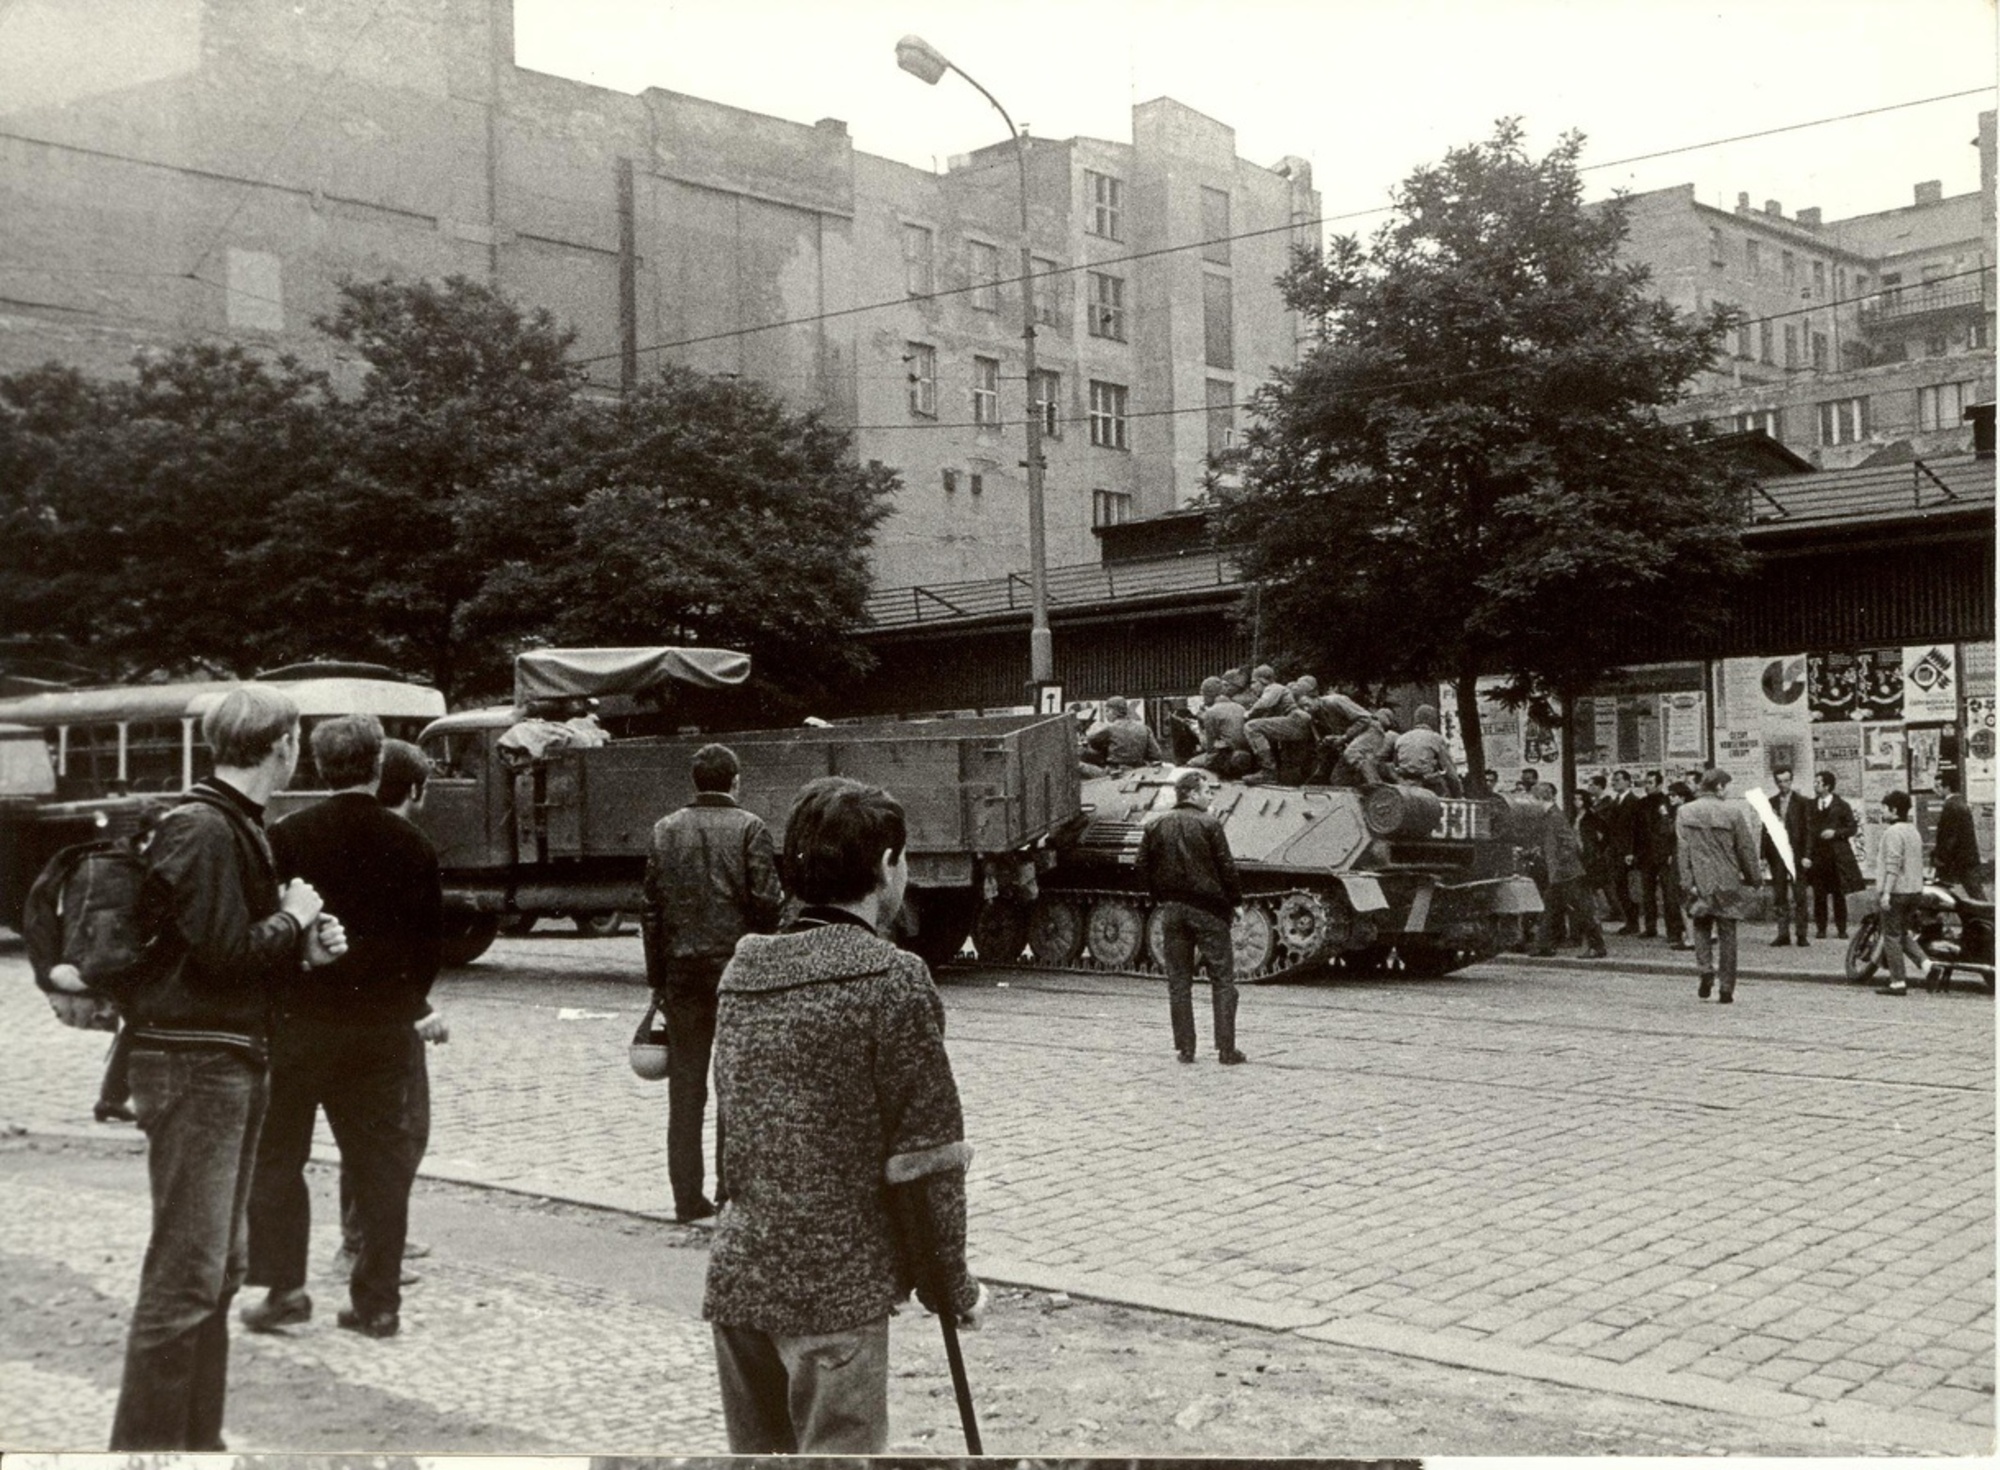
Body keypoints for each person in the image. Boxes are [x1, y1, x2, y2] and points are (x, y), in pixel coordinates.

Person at [704, 776, 984, 1453]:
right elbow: (926, 1160)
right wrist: (951, 1290)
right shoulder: (893, 979)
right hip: (834, 1296)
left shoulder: (744, 971)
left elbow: (734, 1134)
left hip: (740, 1278)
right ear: (887, 865)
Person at [108, 686, 348, 1450]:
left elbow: (225, 956)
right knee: (187, 1276)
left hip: (224, 1058)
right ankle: (146, 1454)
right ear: (283, 745)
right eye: (295, 741)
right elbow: (223, 957)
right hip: (196, 1063)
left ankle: (194, 1445)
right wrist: (293, 918)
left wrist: (300, 948)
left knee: (217, 1271)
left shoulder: (233, 823)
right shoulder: (208, 827)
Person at [243, 716, 443, 1342]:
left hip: (300, 1023)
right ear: (379, 765)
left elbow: (269, 927)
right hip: (381, 1028)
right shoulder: (412, 844)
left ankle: (284, 1289)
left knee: (279, 1157)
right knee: (380, 1164)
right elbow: (429, 948)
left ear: (317, 766)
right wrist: (405, 999)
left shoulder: (286, 836)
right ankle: (377, 1302)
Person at [643, 742, 784, 1225]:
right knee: (732, 1084)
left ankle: (686, 1198)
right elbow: (767, 902)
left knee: (685, 1090)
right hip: (735, 973)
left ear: (695, 781)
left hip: (682, 973)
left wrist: (657, 979)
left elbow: (651, 911)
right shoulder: (750, 827)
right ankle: (729, 1191)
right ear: (735, 781)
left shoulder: (665, 830)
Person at [333, 738, 448, 1281]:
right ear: (415, 789)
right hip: (389, 1012)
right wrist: (417, 1006)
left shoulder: (335, 836)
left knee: (366, 1130)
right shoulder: (407, 846)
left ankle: (368, 1233)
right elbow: (415, 946)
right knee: (402, 1128)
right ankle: (366, 1244)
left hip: (340, 1009)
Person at [1137, 769, 1249, 1064]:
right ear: (1192, 794)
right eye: (1207, 791)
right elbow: (1226, 867)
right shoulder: (1210, 823)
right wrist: (1236, 902)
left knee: (1178, 982)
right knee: (1222, 980)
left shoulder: (1155, 824)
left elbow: (1141, 866)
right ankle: (1226, 1050)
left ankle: (1186, 1049)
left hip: (1173, 910)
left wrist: (1159, 897)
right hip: (1209, 911)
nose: (1211, 797)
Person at [1676, 768, 1761, 1005]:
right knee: (1727, 934)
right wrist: (1754, 878)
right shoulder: (1732, 812)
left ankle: (1705, 970)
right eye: (1726, 786)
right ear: (1719, 787)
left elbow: (1682, 851)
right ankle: (1726, 988)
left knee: (1701, 927)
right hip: (1727, 881)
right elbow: (1745, 849)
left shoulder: (1685, 811)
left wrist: (1687, 882)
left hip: (1700, 881)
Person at [1531, 782, 1606, 959]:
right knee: (1549, 909)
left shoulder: (1555, 816)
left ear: (1540, 798)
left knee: (1583, 911)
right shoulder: (1549, 815)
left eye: (1533, 799)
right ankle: (1544, 946)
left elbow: (1569, 843)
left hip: (1568, 874)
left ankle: (1597, 947)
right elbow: (1551, 843)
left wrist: (1559, 862)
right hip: (1559, 874)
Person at [1873, 789, 1933, 997]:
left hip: (1897, 892)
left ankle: (1897, 982)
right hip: (1914, 891)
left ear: (1894, 810)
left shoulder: (1893, 832)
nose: (1883, 812)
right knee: (1902, 932)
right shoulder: (1913, 831)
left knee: (1891, 935)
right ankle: (1927, 965)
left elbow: (1893, 864)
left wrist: (1886, 893)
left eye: (1885, 808)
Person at [1806, 771, 1864, 936]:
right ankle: (1821, 929)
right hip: (1818, 857)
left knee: (1839, 894)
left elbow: (1852, 828)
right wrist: (1807, 855)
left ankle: (1842, 929)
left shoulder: (1842, 805)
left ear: (1827, 786)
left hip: (1836, 857)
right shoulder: (1810, 806)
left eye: (1818, 782)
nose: (1815, 785)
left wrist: (1835, 833)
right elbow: (1807, 831)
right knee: (1819, 895)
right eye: (1815, 782)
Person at [1760, 766, 1813, 946]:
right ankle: (1783, 933)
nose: (1783, 785)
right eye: (1779, 781)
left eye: (1786, 781)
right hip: (1777, 854)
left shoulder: (1802, 802)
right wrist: (1763, 855)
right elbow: (1765, 830)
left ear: (1791, 781)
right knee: (1780, 894)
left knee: (1800, 895)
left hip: (1797, 854)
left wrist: (1807, 855)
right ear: (1776, 782)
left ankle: (1801, 934)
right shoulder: (1771, 802)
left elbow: (1809, 831)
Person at [1632, 771, 1682, 944]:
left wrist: (1669, 852)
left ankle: (1673, 931)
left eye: (1650, 782)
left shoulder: (1667, 802)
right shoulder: (1641, 803)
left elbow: (1670, 830)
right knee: (1647, 893)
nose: (1647, 786)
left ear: (1659, 785)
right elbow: (1636, 830)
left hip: (1663, 853)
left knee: (1669, 894)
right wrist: (1634, 851)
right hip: (1646, 854)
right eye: (1646, 782)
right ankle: (1650, 926)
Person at [1932, 771, 1985, 901]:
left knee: (1976, 896)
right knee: (1975, 893)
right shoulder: (1960, 802)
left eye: (1938, 786)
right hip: (1966, 858)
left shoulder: (1950, 805)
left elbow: (1950, 836)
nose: (1935, 790)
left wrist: (1941, 858)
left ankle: (1988, 914)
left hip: (1960, 860)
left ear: (1947, 787)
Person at [1188, 677, 1255, 778]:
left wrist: (1196, 729)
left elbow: (1209, 748)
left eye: (1203, 695)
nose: (1203, 699)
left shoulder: (1211, 712)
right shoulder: (1240, 707)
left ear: (1209, 695)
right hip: (1245, 755)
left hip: (1226, 757)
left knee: (1190, 764)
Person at [1391, 705, 1463, 796]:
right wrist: (1458, 794)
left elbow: (1395, 765)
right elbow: (1450, 772)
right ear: (1431, 720)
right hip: (1428, 786)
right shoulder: (1435, 738)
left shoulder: (1401, 738)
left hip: (1404, 785)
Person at [1604, 770, 1642, 933]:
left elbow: (1636, 830)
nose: (1614, 783)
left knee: (1629, 888)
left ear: (1627, 782)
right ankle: (1630, 921)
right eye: (1613, 780)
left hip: (1627, 852)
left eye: (1618, 780)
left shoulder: (1634, 802)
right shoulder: (1615, 802)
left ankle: (1633, 922)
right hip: (1615, 851)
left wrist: (1631, 852)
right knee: (1620, 887)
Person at [1085, 696, 1163, 771]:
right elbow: (1156, 754)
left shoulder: (1110, 729)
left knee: (1081, 765)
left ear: (1113, 711)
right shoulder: (1144, 728)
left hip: (1115, 773)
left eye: (1107, 711)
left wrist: (1090, 730)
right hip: (1138, 771)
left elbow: (1091, 741)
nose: (1106, 714)